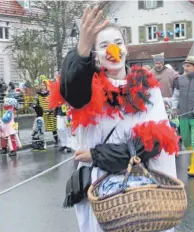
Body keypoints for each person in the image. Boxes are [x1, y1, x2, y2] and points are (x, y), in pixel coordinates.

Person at [47, 7, 180, 232]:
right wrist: (82, 47)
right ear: (94, 55)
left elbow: (152, 144)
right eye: (102, 45)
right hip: (103, 201)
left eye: (118, 42)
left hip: (142, 196)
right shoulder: (86, 91)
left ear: (126, 49)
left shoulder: (149, 90)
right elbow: (71, 88)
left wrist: (97, 155)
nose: (112, 49)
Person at [37, 81, 58, 146]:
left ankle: (56, 141)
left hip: (50, 113)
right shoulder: (38, 95)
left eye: (43, 85)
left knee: (53, 128)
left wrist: (51, 110)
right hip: (43, 114)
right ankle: (41, 142)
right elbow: (37, 105)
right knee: (41, 128)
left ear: (46, 86)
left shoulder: (50, 93)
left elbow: (53, 102)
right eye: (41, 85)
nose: (42, 86)